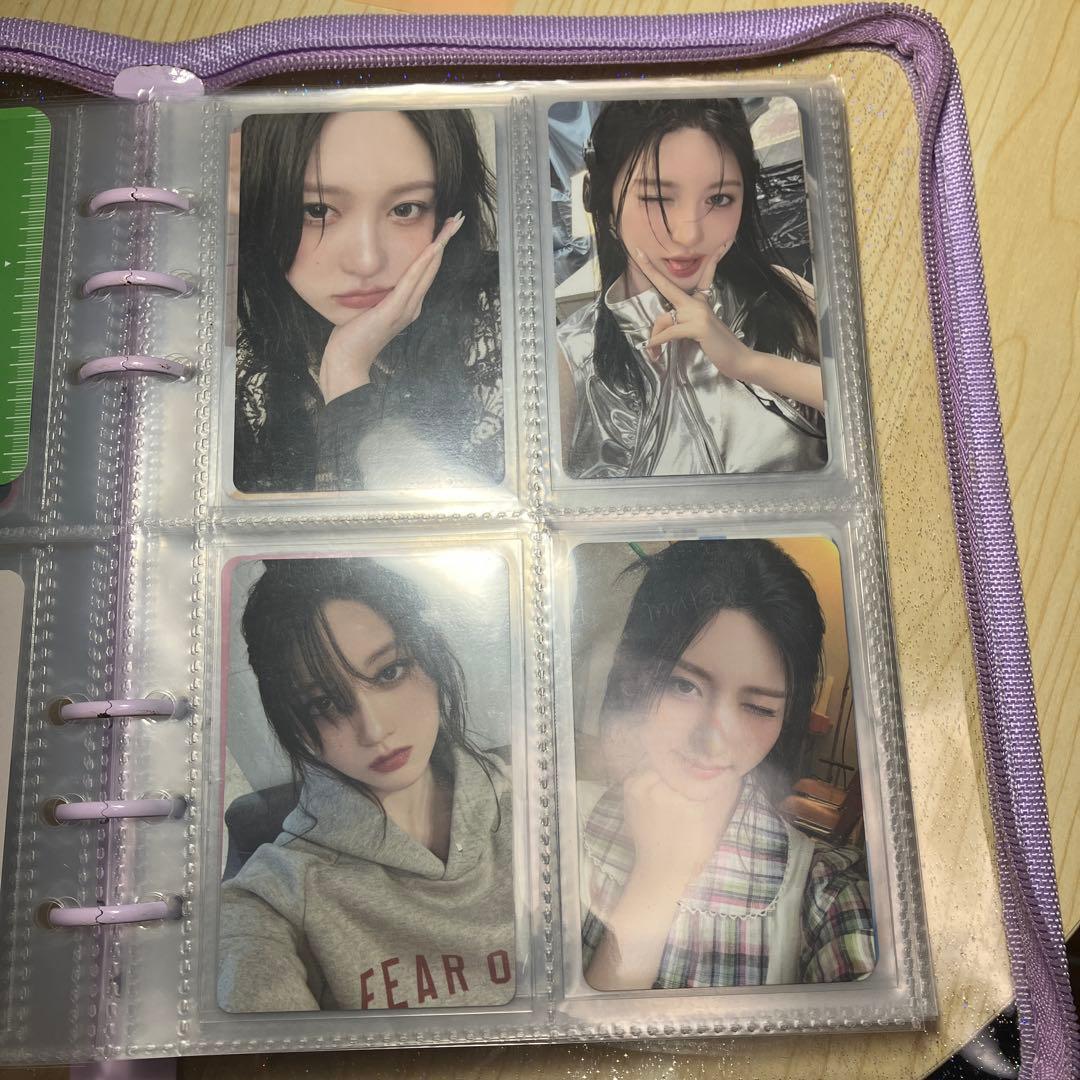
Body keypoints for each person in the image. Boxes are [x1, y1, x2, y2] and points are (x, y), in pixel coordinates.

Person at [218, 558, 515, 1012]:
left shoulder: (539, 803)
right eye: (323, 703)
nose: (374, 730)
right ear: (294, 725)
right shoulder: (278, 895)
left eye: (389, 672)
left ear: (431, 658)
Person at [579, 540, 874, 990]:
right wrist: (656, 877)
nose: (712, 740)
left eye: (758, 707)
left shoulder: (827, 896)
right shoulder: (551, 831)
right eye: (683, 686)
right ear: (633, 674)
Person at [235, 109, 504, 493]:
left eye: (405, 209)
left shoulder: (508, 319)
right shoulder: (233, 368)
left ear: (445, 214)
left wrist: (346, 373)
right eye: (317, 210)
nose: (366, 261)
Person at [557, 98, 827, 479]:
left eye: (719, 199)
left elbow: (878, 410)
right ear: (604, 202)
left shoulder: (783, 295)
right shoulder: (571, 358)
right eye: (657, 198)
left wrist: (749, 364)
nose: (689, 234)